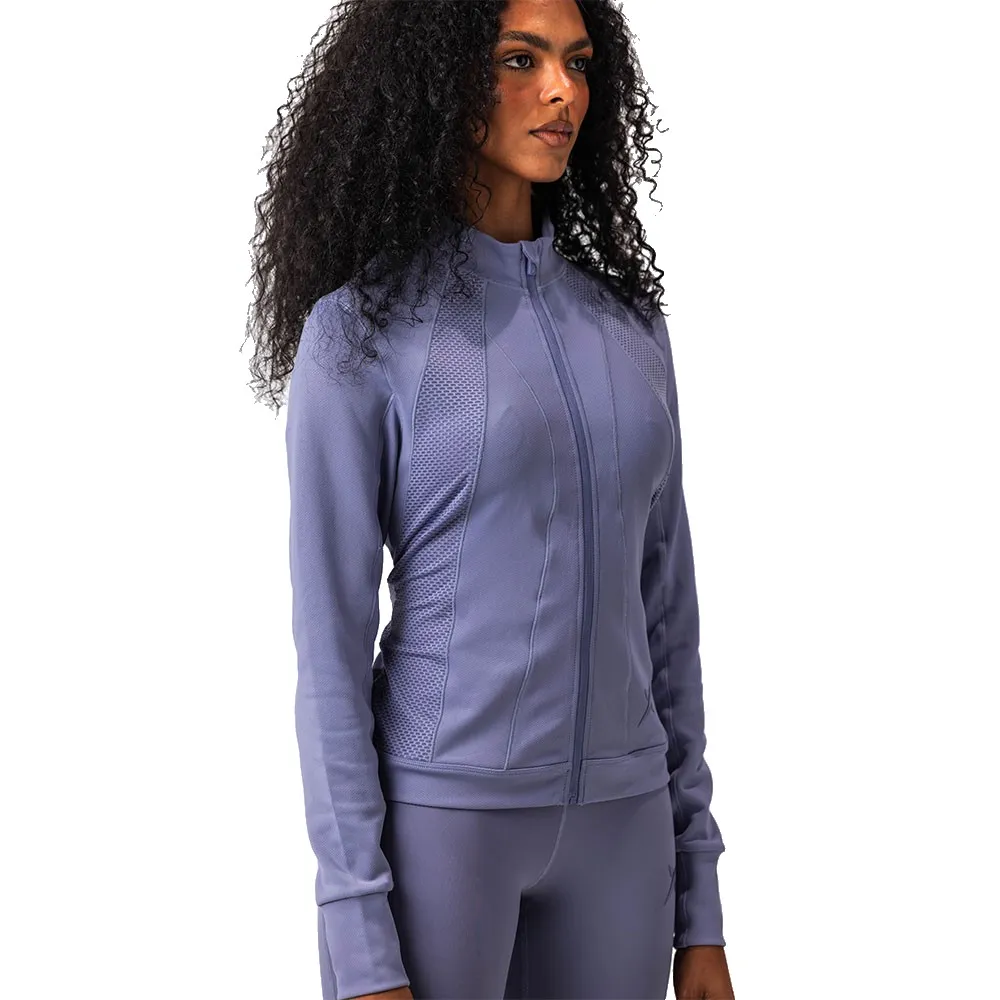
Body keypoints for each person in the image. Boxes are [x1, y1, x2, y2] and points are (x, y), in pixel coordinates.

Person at [246, 1, 735, 998]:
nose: (561, 93)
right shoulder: (360, 335)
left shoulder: (630, 328)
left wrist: (702, 909)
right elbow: (329, 657)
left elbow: (668, 618)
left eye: (577, 64)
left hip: (625, 828)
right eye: (520, 59)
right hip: (447, 826)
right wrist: (359, 936)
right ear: (434, 80)